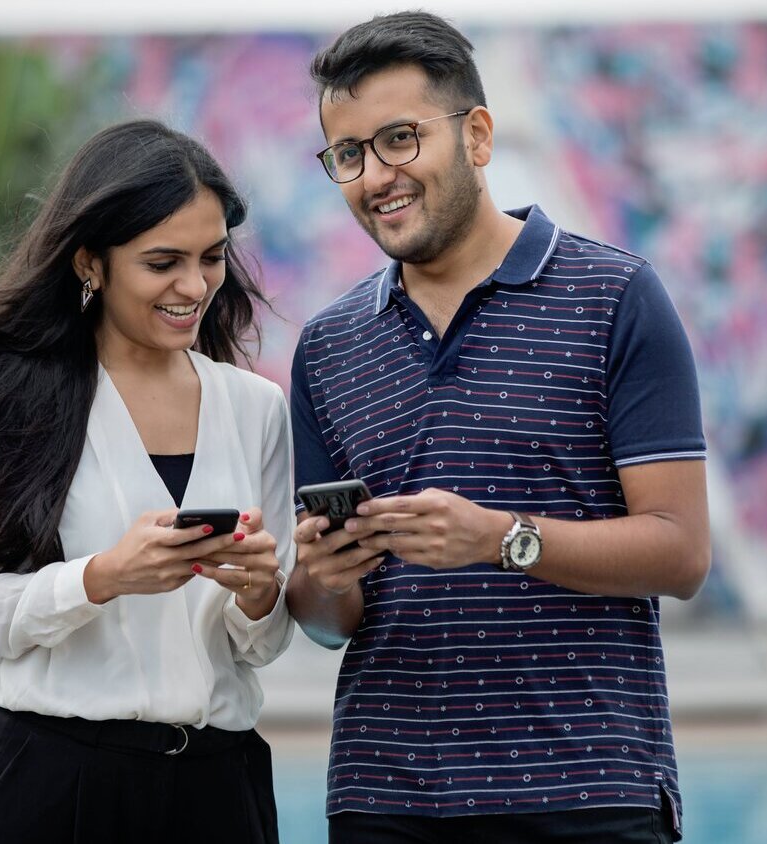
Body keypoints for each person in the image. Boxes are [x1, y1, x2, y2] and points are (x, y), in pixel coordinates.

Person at [287, 12, 710, 843]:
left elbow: (682, 552)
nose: (376, 176)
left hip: (586, 792)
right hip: (386, 800)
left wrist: (501, 538)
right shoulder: (327, 347)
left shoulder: (615, 296)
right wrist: (325, 575)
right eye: (350, 154)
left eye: (401, 139)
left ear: (477, 135)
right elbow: (325, 618)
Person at [0, 119, 292, 844]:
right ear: (90, 262)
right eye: (163, 262)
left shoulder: (256, 408)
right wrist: (98, 578)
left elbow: (263, 642)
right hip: (51, 784)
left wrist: (258, 593)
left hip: (219, 790)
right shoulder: (8, 402)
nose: (195, 286)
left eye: (212, 258)